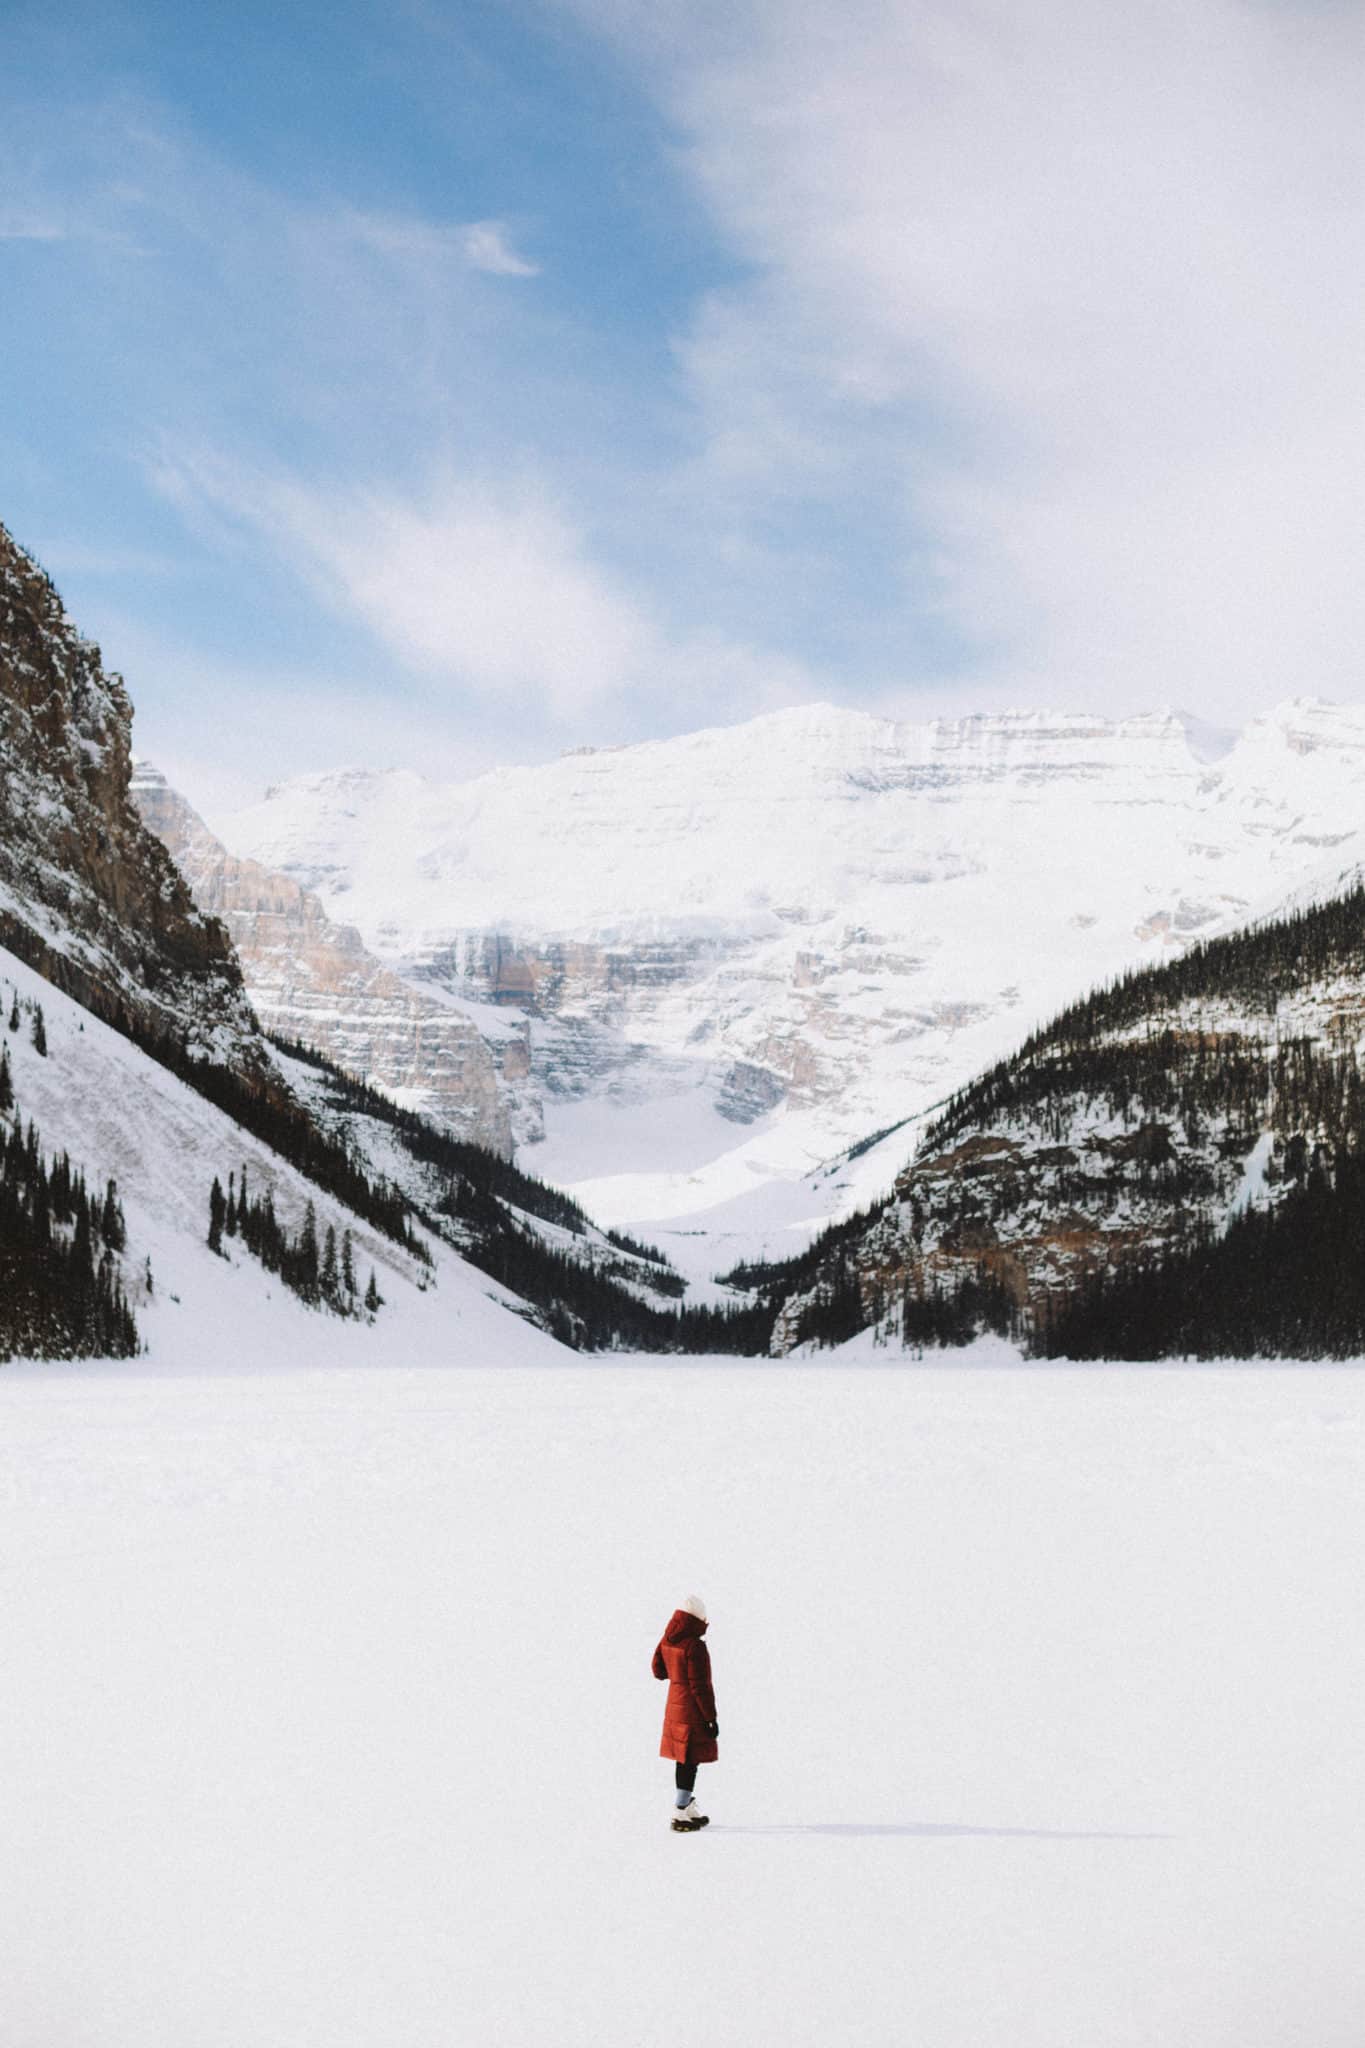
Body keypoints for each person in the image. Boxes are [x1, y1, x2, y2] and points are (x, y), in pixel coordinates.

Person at [652, 1593, 718, 1833]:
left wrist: (677, 1674)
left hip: (674, 1707)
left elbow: (658, 1670)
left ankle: (687, 1806)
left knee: (685, 1757)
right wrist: (710, 1718)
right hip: (692, 1711)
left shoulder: (668, 1639)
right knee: (689, 1759)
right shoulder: (695, 1646)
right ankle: (680, 1811)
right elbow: (700, 1686)